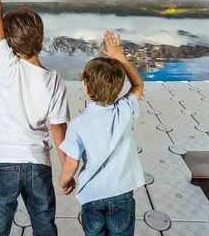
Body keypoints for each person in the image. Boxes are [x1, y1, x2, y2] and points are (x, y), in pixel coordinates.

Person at [0, 0, 75, 236]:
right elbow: (59, 132)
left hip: (3, 163)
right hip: (38, 164)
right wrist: (66, 172)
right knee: (44, 226)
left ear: (9, 43)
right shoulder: (54, 81)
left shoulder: (5, 65)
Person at [58, 30, 145, 236]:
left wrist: (64, 181)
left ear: (86, 89)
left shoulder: (78, 125)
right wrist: (119, 57)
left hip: (92, 197)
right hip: (122, 193)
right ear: (117, 88)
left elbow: (71, 163)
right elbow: (138, 84)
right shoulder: (125, 110)